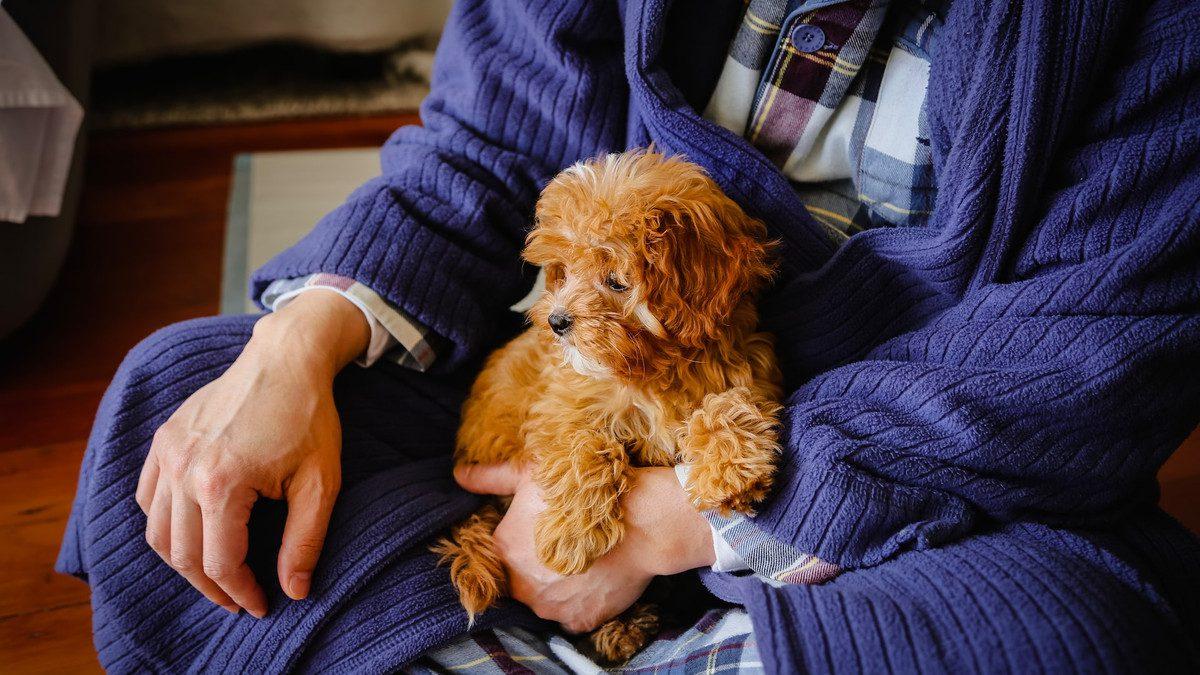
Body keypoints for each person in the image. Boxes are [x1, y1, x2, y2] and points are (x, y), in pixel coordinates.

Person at [58, 0, 1200, 672]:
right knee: (177, 406)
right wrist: (295, 346)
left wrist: (670, 525)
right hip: (584, 392)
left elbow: (1091, 345)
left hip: (915, 454)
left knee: (1053, 636)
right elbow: (486, 150)